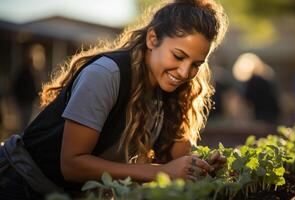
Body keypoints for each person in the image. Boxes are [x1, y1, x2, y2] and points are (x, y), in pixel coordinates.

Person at [0, 0, 228, 199]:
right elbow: (72, 165)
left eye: (196, 64)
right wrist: (161, 171)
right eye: (178, 56)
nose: (184, 72)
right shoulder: (106, 75)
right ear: (152, 39)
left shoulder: (174, 90)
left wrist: (202, 165)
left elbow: (176, 158)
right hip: (19, 183)